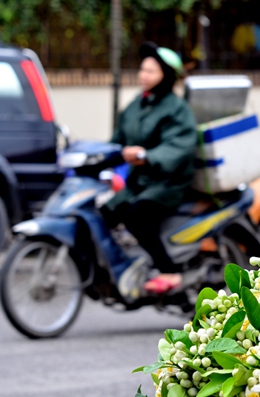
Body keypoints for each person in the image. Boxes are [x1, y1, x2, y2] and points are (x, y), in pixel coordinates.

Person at [101, 42, 198, 298]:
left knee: (136, 217)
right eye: (142, 70)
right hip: (139, 182)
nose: (143, 75)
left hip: (167, 183)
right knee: (104, 213)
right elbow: (119, 139)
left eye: (151, 71)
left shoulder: (177, 109)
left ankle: (169, 271)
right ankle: (118, 269)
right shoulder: (138, 104)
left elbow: (178, 146)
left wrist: (147, 155)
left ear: (165, 75)